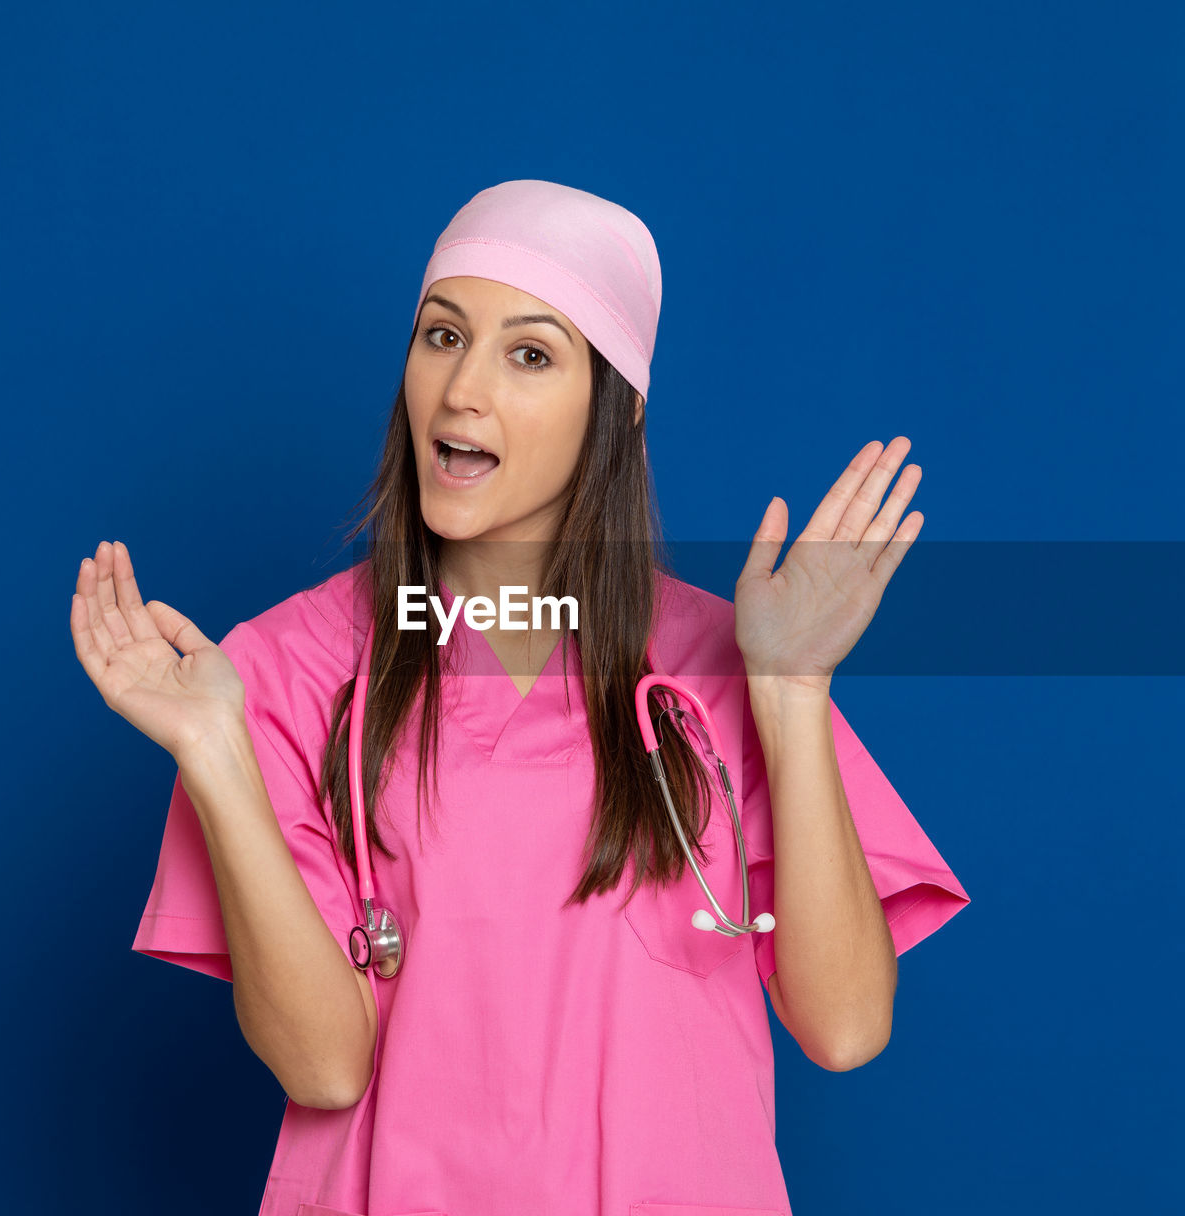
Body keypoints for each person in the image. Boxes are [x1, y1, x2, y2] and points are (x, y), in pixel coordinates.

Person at [70, 180, 970, 1216]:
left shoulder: (720, 660)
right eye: (440, 336)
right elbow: (323, 1069)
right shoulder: (284, 669)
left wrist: (791, 689)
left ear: (614, 408)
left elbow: (845, 1025)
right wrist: (216, 756)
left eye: (529, 353)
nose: (461, 390)